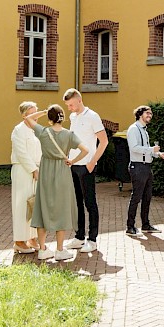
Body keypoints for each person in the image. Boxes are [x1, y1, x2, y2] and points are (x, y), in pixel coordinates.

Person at [25, 104, 89, 261]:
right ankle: (60, 250)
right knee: (61, 210)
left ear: (49, 119)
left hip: (46, 173)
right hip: (62, 173)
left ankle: (42, 249)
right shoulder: (69, 134)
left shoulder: (43, 132)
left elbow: (27, 118)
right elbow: (85, 150)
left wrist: (44, 112)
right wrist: (72, 161)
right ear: (63, 117)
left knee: (43, 209)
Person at [63, 89, 107, 255]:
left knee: (90, 202)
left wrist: (92, 162)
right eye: (67, 105)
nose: (69, 108)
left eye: (71, 104)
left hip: (87, 166)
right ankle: (79, 236)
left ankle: (92, 239)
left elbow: (104, 141)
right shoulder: (73, 117)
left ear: (79, 100)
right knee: (76, 204)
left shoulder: (92, 116)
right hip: (73, 165)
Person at [125, 105, 164, 236]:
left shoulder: (144, 130)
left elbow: (146, 150)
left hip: (146, 167)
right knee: (136, 197)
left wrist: (158, 154)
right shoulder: (133, 129)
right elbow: (134, 148)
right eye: (147, 113)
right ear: (140, 114)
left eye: (151, 113)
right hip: (137, 167)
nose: (150, 115)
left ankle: (145, 224)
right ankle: (130, 226)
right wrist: (151, 150)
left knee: (147, 197)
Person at [10, 101, 41, 254]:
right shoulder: (18, 130)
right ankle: (19, 240)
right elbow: (21, 152)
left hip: (35, 170)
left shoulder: (34, 131)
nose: (36, 116)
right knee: (22, 205)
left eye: (37, 112)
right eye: (32, 113)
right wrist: (33, 169)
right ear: (24, 115)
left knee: (33, 205)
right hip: (23, 171)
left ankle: (32, 237)